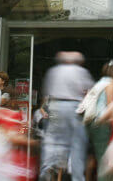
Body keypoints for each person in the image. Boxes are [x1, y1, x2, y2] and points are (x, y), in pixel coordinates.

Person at [39, 51, 93, 181]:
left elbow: (46, 93)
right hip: (74, 107)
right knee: (77, 145)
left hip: (56, 106)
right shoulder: (81, 71)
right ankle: (77, 177)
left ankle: (47, 167)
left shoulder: (53, 71)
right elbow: (90, 91)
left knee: (53, 139)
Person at [81, 62, 113, 181]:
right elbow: (110, 106)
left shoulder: (99, 83)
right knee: (104, 161)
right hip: (102, 125)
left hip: (91, 124)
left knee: (97, 158)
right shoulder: (111, 83)